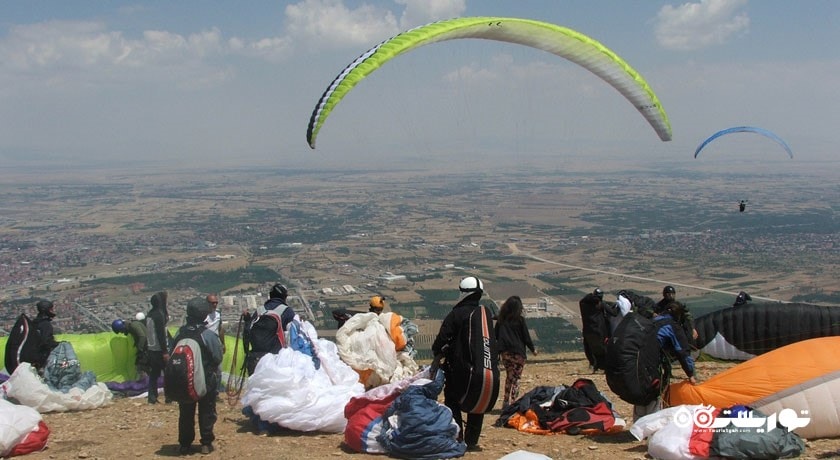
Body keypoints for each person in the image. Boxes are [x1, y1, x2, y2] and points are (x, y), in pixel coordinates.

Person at [432, 276, 497, 452]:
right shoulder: (484, 314)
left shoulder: (456, 314)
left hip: (458, 367)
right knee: (477, 400)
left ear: (463, 292)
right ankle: (472, 440)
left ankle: (457, 435)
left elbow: (441, 341)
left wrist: (438, 353)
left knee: (452, 398)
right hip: (483, 367)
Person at [174, 297, 223, 455]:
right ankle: (206, 443)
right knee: (207, 411)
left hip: (184, 380)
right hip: (206, 379)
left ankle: (184, 444)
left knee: (186, 412)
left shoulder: (179, 333)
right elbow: (217, 356)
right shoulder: (207, 334)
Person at [633, 301, 697, 421]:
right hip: (652, 363)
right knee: (655, 391)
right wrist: (691, 373)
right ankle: (652, 425)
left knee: (642, 391)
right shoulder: (671, 325)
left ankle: (638, 425)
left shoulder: (651, 322)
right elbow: (682, 351)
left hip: (636, 362)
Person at [494, 295, 537, 408]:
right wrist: (533, 349)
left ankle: (506, 400)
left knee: (509, 376)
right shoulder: (520, 320)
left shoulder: (501, 320)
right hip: (518, 353)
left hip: (505, 353)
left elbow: (495, 336)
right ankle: (513, 402)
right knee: (516, 378)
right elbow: (526, 337)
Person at [243, 283, 292, 376]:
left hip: (256, 358)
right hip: (276, 358)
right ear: (284, 297)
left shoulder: (260, 310)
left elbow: (248, 329)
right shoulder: (287, 311)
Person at [146, 291, 170, 404]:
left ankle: (152, 397)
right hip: (159, 350)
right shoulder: (159, 315)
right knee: (168, 374)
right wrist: (165, 351)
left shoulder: (149, 314)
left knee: (153, 375)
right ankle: (169, 397)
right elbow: (160, 334)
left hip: (151, 349)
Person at [112, 313, 150, 380]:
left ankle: (145, 382)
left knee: (140, 366)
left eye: (121, 331)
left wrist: (140, 350)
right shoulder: (131, 326)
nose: (122, 333)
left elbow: (143, 336)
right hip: (147, 348)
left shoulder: (133, 325)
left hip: (148, 348)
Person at [579, 288, 609, 372]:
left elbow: (584, 300)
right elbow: (613, 312)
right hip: (600, 330)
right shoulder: (600, 305)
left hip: (587, 330)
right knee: (603, 348)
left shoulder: (583, 304)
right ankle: (605, 366)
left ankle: (593, 364)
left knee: (590, 348)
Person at [31, 299, 60, 373]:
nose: (52, 311)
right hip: (42, 358)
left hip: (33, 357)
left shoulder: (35, 322)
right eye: (51, 309)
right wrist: (58, 344)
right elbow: (46, 341)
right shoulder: (45, 324)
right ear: (46, 310)